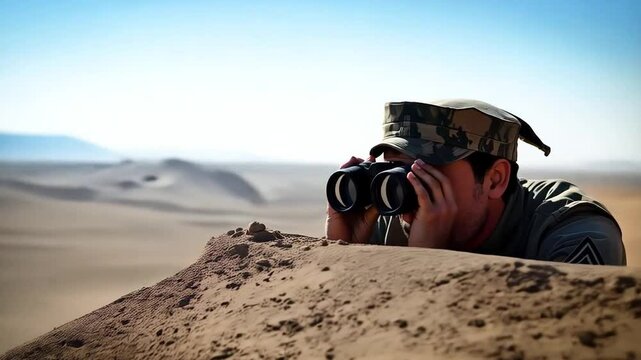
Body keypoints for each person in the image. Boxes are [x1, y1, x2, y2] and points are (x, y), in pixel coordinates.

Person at [325, 99, 626, 265]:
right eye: (395, 171)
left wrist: (425, 262)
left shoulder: (572, 233)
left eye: (427, 175)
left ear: (495, 179)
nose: (408, 195)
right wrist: (343, 251)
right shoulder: (391, 217)